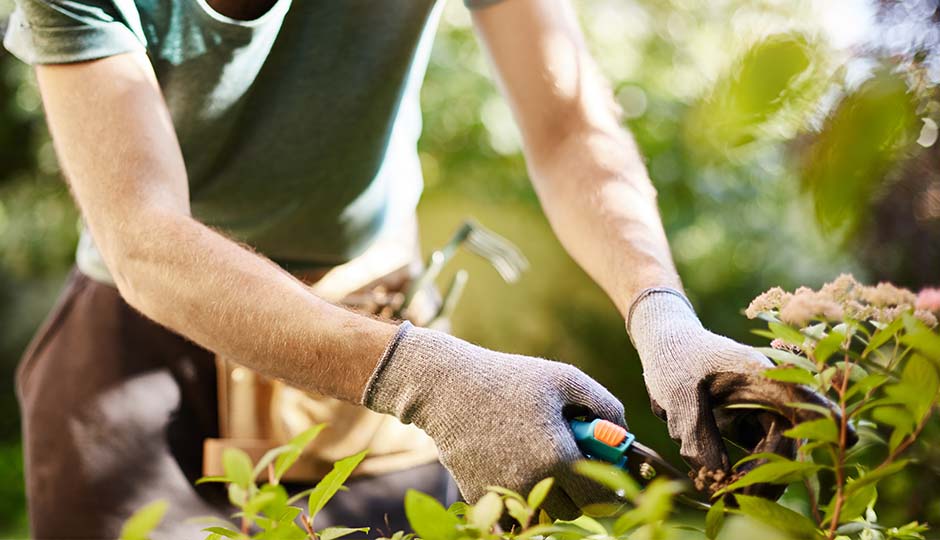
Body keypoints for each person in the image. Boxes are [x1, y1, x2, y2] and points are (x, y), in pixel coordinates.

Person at [5, 0, 842, 537]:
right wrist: (428, 378)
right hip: (139, 364)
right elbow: (146, 238)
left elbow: (569, 123)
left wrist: (660, 312)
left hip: (372, 329)